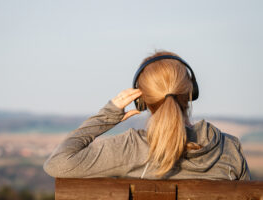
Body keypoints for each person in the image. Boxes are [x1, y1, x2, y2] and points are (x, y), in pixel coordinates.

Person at [43, 51, 251, 180]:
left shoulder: (132, 147)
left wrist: (108, 115)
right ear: (191, 92)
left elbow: (57, 163)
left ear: (142, 101)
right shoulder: (229, 148)